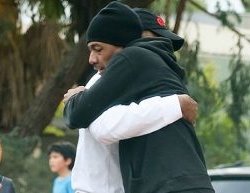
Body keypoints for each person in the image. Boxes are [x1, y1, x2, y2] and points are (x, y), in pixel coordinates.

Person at [64, 2, 214, 193]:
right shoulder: (110, 75)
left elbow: (99, 124)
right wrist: (174, 105)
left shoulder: (143, 70)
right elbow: (102, 126)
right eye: (154, 39)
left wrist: (175, 105)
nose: (162, 48)